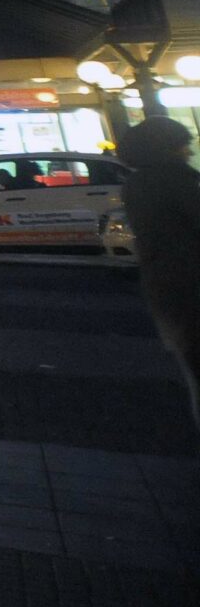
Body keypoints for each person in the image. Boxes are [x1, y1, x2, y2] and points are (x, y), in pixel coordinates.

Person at [118, 117, 200, 431]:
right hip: (192, 283)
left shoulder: (134, 185)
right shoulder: (179, 181)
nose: (189, 151)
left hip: (165, 287)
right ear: (166, 148)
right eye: (183, 145)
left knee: (193, 369)